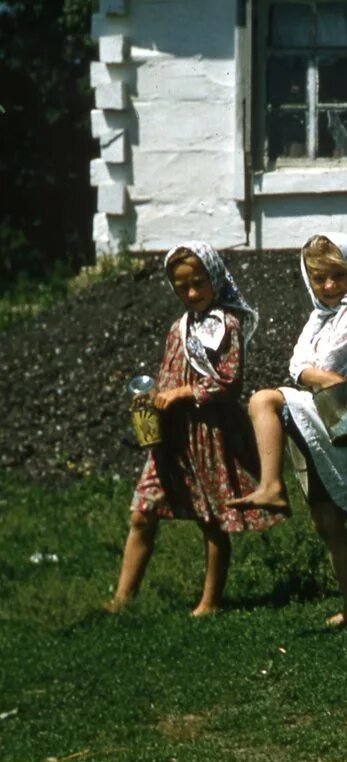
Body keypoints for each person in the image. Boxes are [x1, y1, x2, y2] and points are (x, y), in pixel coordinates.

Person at [229, 233, 347, 627]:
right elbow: (297, 365)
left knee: (263, 400)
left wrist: (315, 373)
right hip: (326, 403)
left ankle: (271, 485)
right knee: (326, 517)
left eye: (336, 276)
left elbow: (321, 359)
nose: (328, 287)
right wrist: (317, 376)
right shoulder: (319, 315)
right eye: (319, 278)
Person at [109, 243, 283, 615]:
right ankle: (121, 601)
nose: (191, 293)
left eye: (198, 283)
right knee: (142, 511)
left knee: (211, 518)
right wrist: (155, 396)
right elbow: (169, 372)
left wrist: (183, 393)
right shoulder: (179, 327)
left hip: (209, 431)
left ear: (214, 278)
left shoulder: (226, 326)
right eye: (182, 286)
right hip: (171, 436)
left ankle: (210, 601)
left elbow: (230, 383)